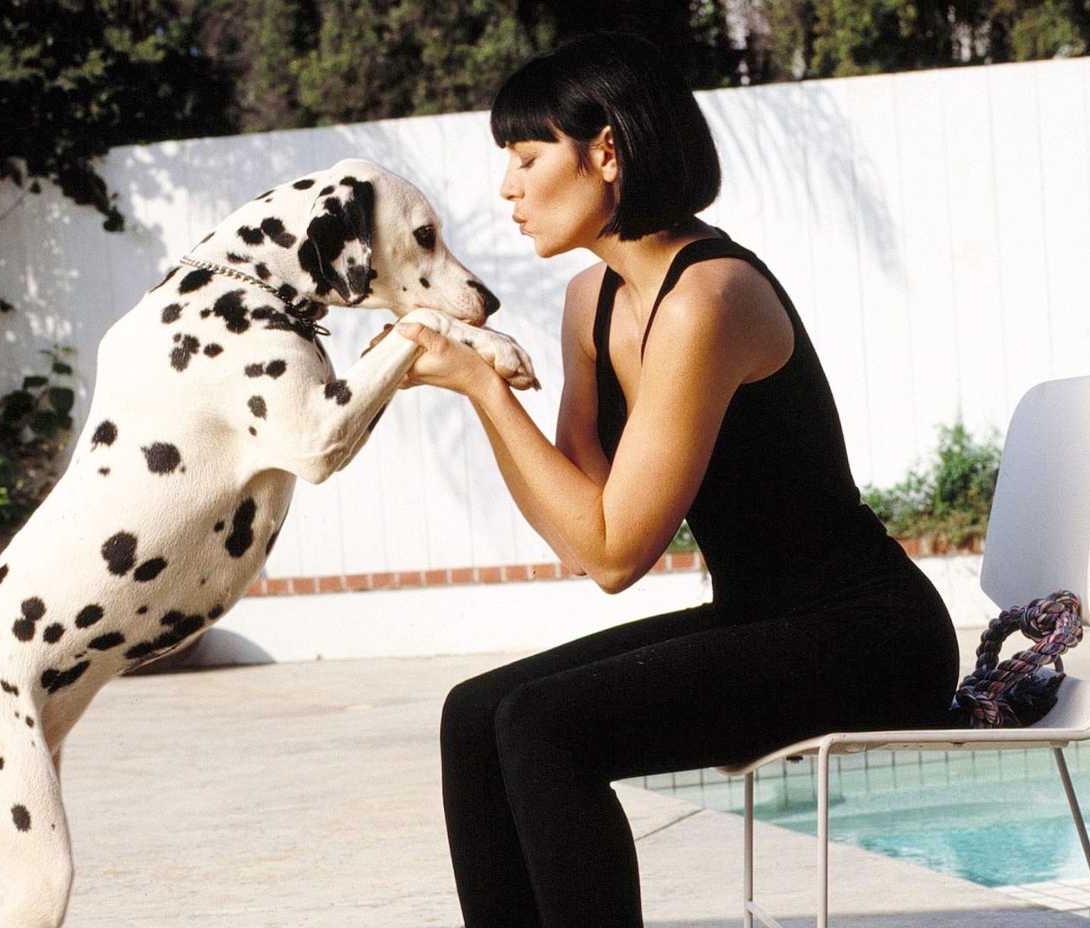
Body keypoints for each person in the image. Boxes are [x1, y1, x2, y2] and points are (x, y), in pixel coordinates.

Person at [388, 32, 961, 928]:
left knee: (543, 726)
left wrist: (481, 390)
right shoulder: (592, 301)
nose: (507, 189)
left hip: (867, 635)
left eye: (528, 157)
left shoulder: (708, 299)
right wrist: (484, 383)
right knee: (475, 715)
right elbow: (583, 533)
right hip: (757, 619)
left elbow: (618, 553)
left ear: (607, 153)